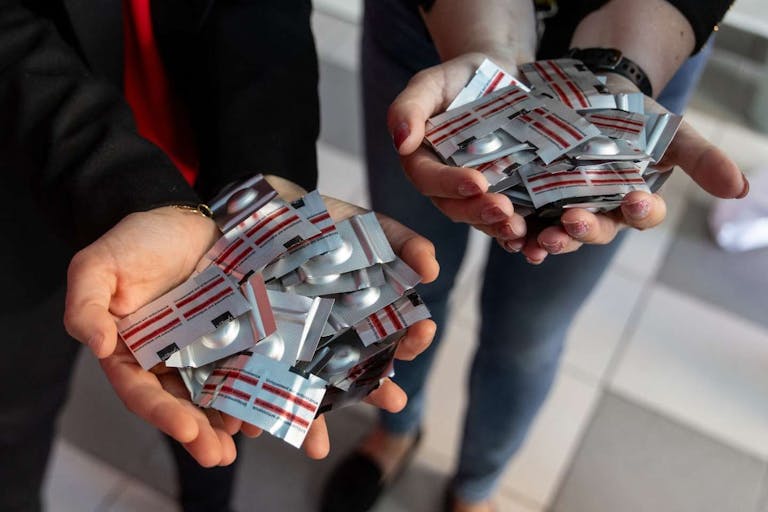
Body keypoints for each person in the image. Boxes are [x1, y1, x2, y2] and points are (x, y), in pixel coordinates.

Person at [0, 1, 438, 511]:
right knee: (14, 420)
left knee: (212, 418)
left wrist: (267, 178)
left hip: (214, 161)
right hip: (25, 193)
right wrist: (122, 189)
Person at [321, 1, 746, 511]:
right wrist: (485, 43)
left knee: (526, 334)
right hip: (431, 25)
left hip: (651, 37)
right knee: (408, 283)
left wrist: (622, 66)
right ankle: (396, 431)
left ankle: (476, 487)